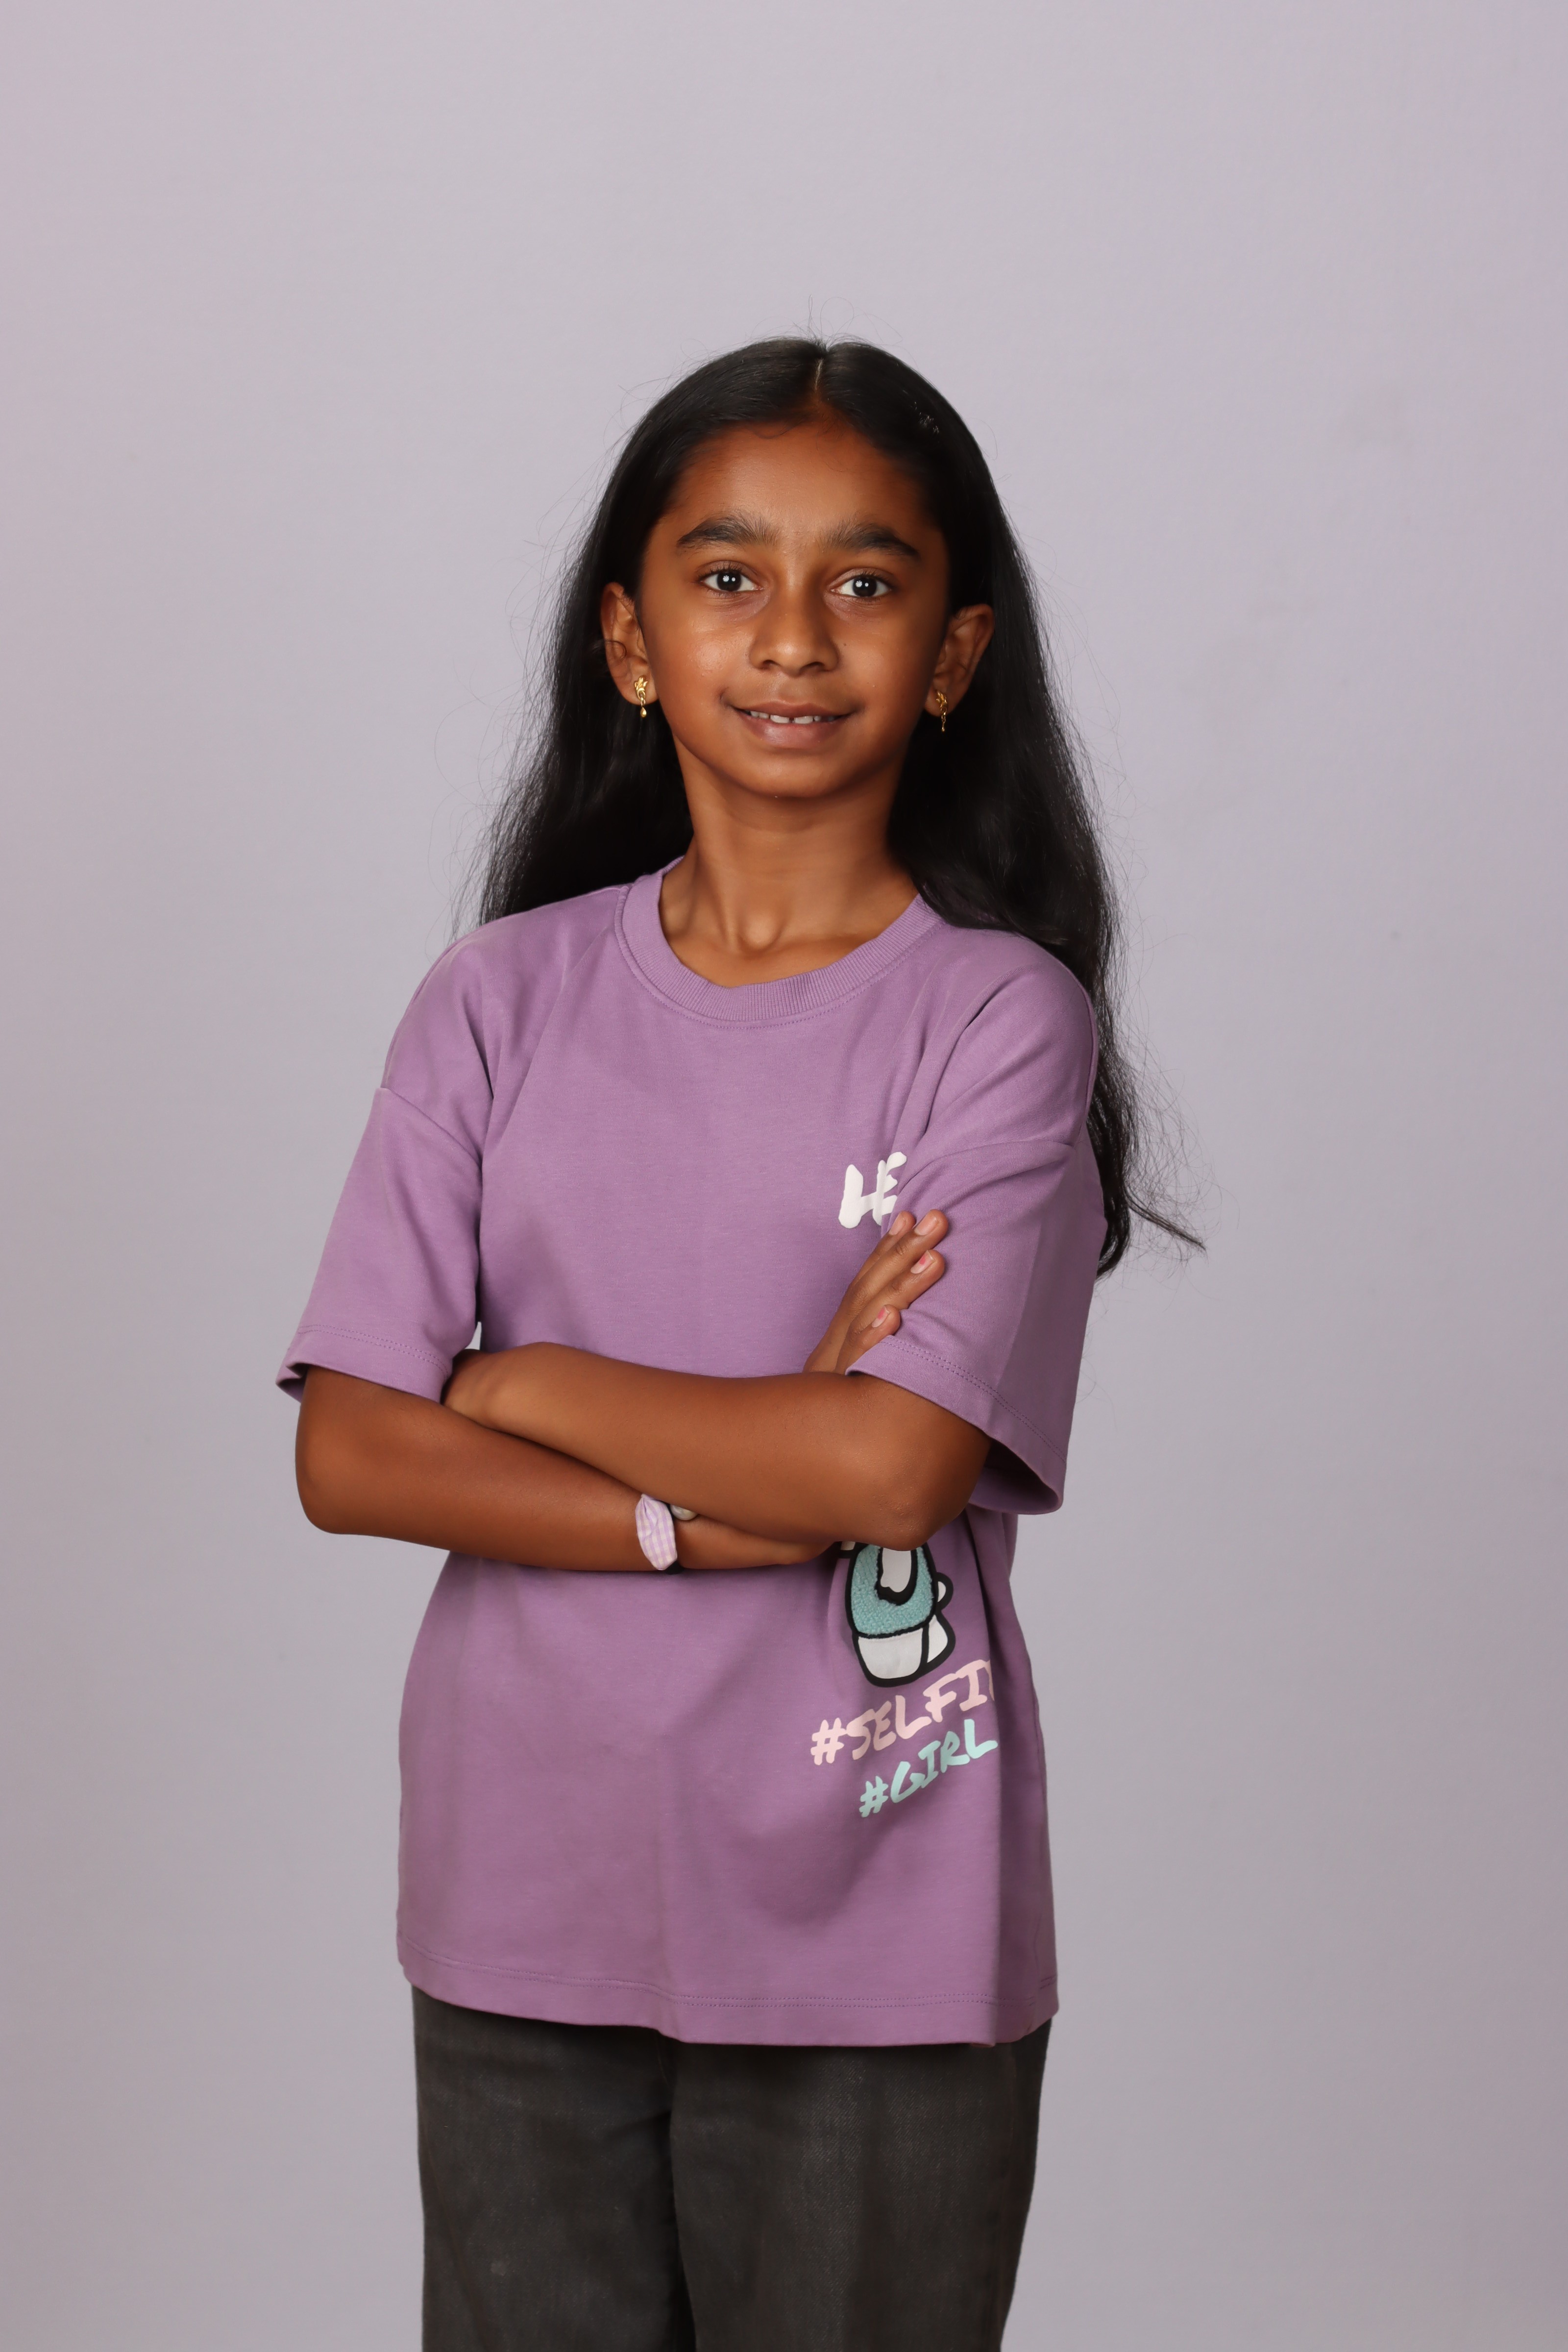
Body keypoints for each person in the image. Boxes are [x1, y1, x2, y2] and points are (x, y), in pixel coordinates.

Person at [280, 337, 1187, 2352]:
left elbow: (888, 1470)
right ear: (631, 639)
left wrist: (512, 1384)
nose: (791, 635)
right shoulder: (494, 1003)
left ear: (951, 656)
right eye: (724, 576)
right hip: (522, 1884)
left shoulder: (996, 1018)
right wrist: (714, 1506)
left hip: (878, 1900)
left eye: (863, 581)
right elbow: (348, 1452)